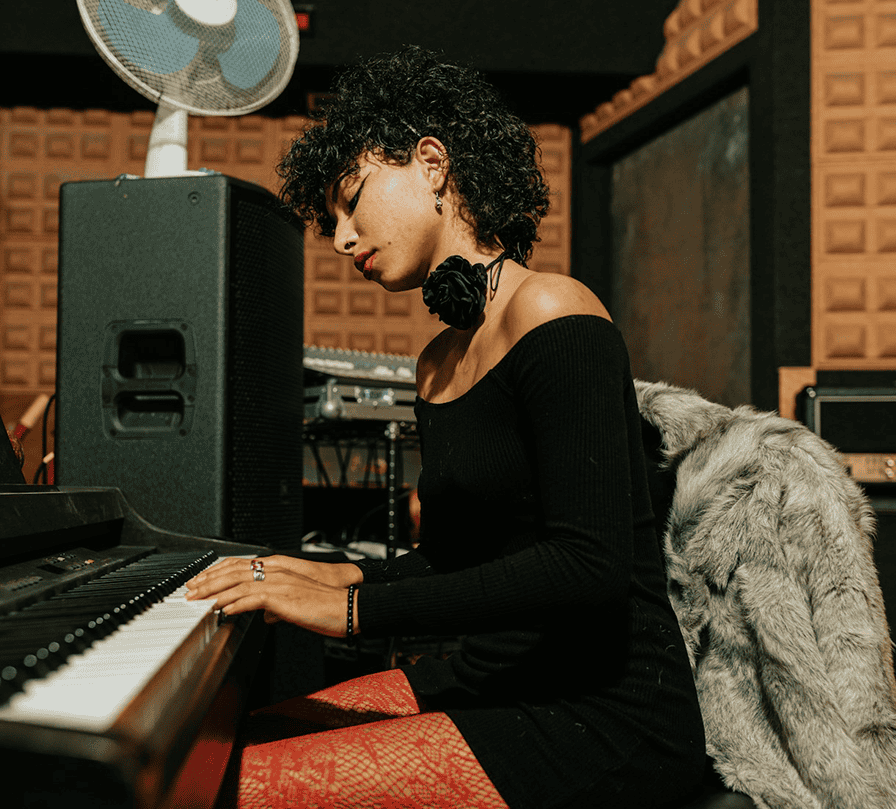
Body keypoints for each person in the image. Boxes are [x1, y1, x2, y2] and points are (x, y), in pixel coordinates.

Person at [184, 45, 705, 809]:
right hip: (498, 676)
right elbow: (455, 561)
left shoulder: (556, 311)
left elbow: (588, 565)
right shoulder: (436, 363)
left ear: (431, 163)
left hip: (606, 711)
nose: (340, 238)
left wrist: (352, 610)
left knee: (232, 789)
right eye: (329, 219)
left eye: (351, 200)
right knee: (221, 746)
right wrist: (321, 573)